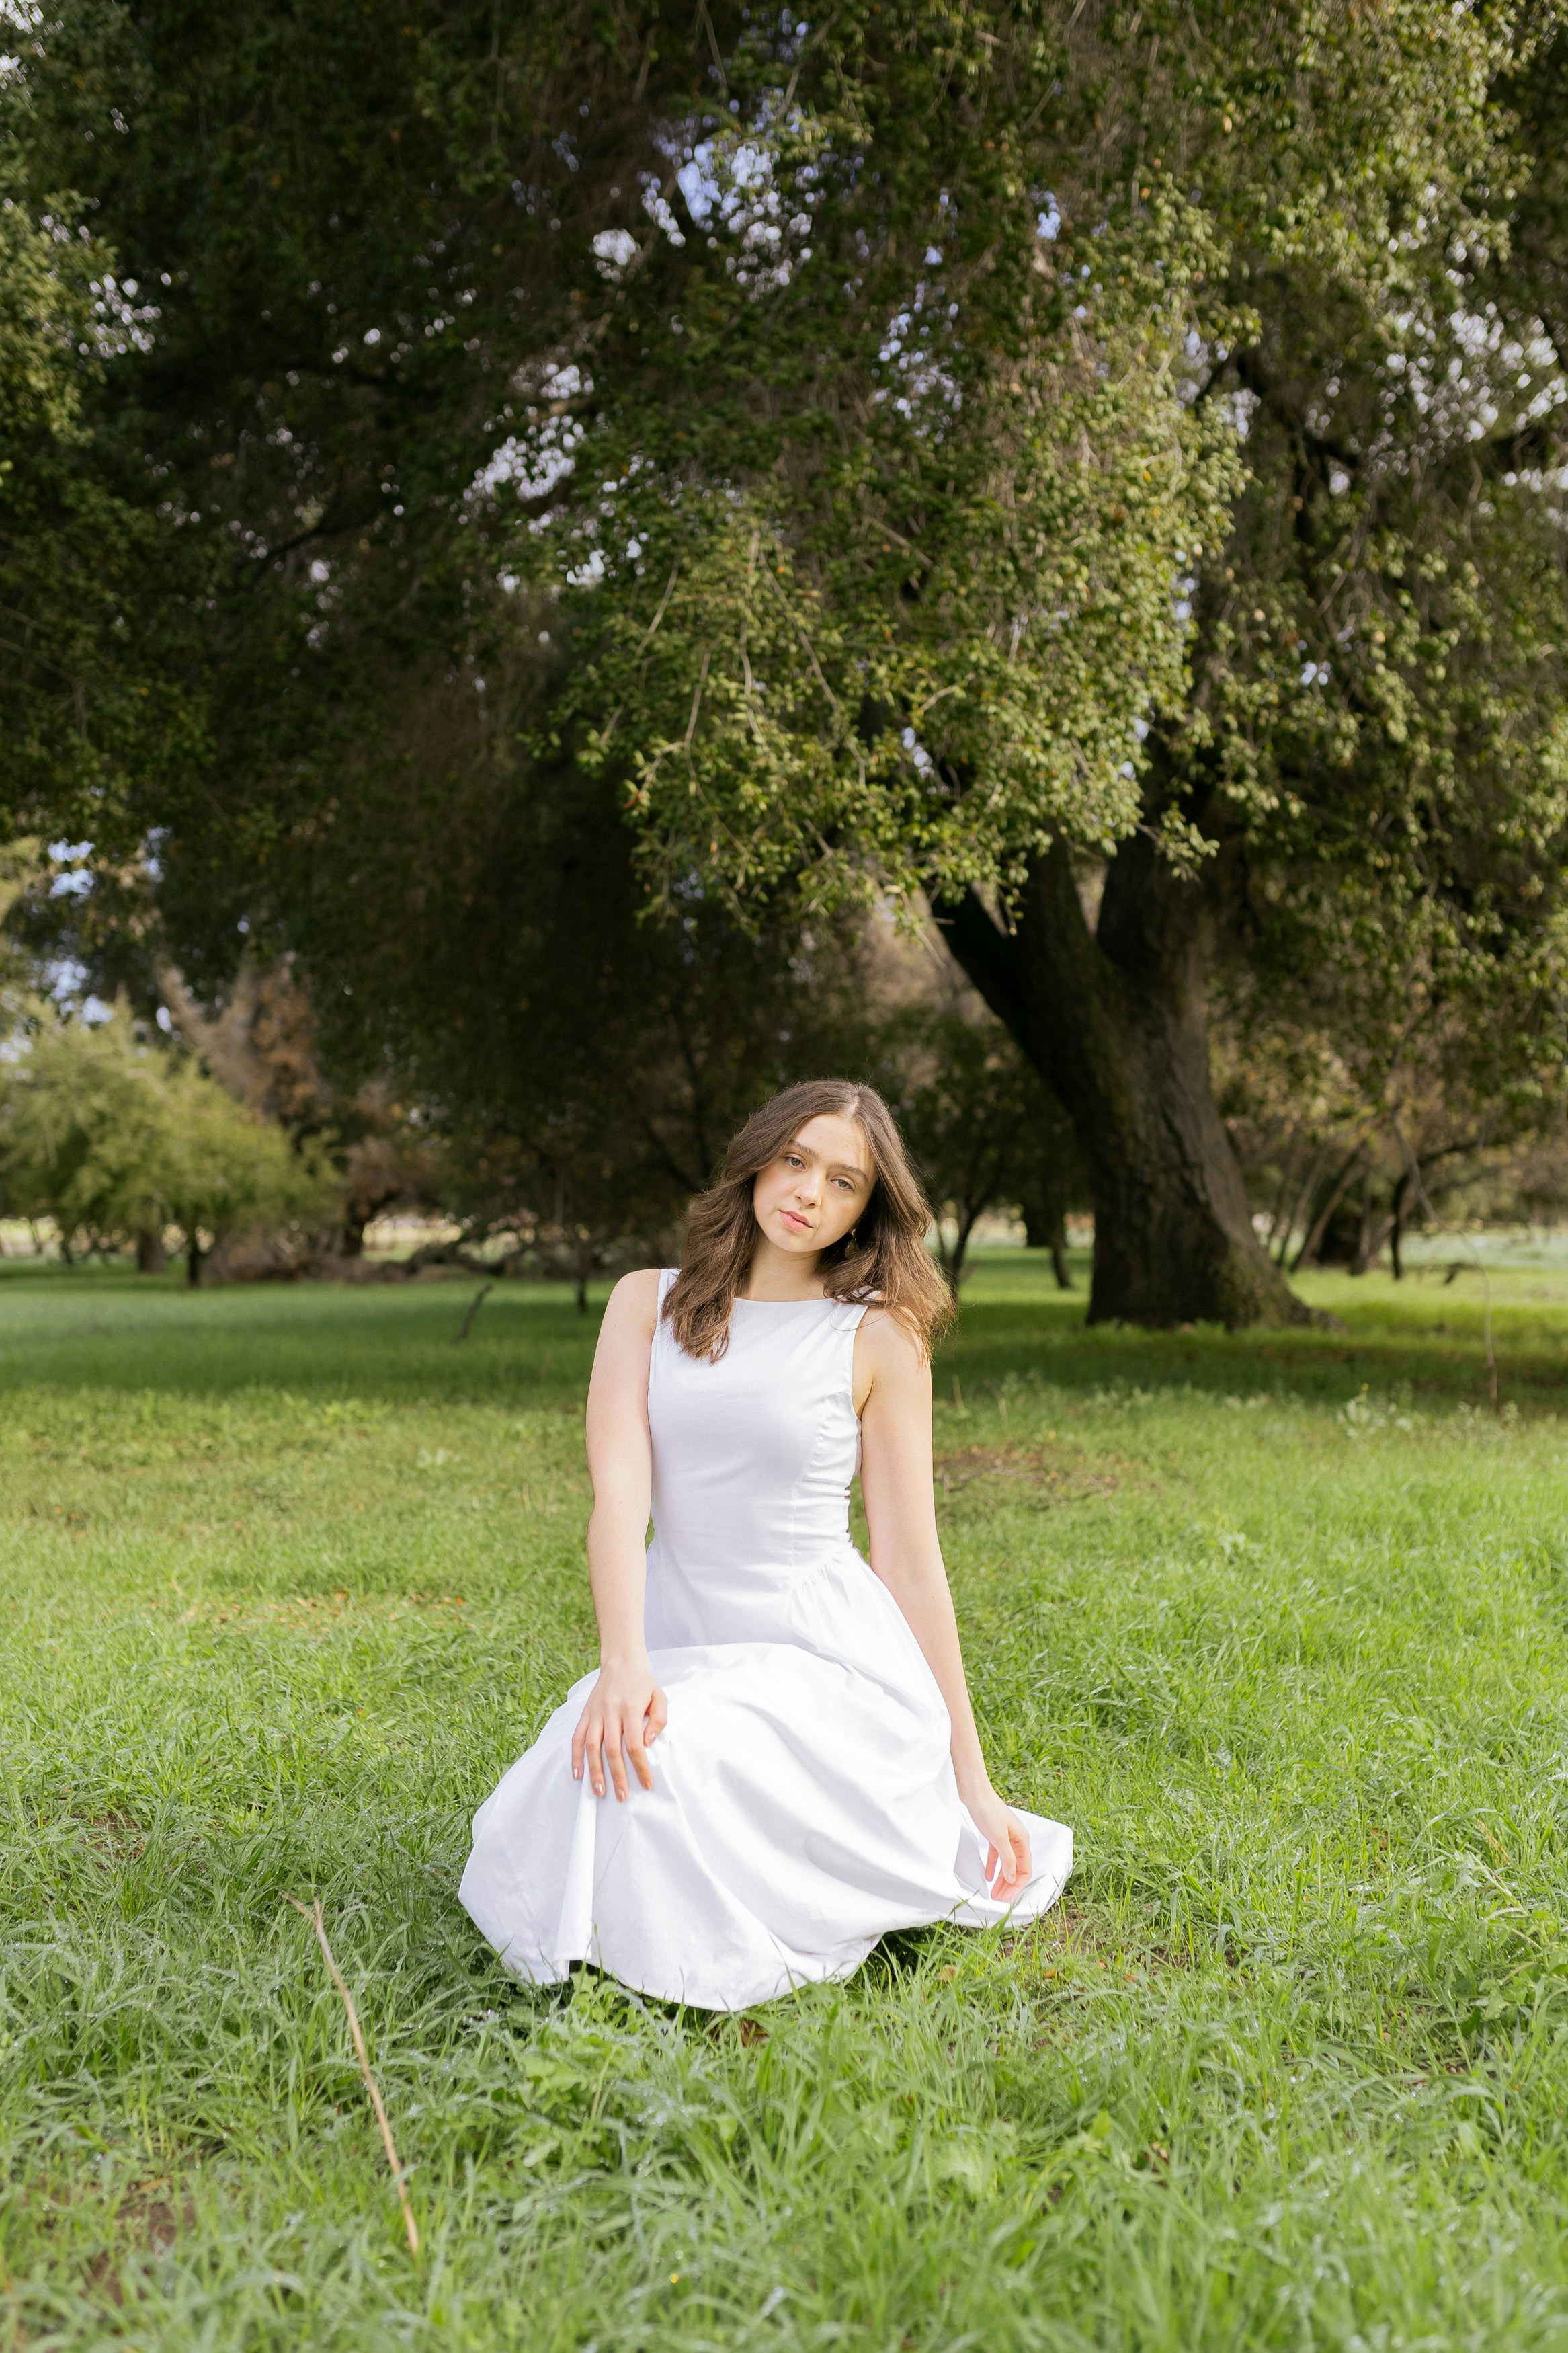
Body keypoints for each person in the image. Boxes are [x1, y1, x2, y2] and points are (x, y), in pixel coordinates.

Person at [459, 1079, 1072, 2009]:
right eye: (796, 1162)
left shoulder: (878, 1335)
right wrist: (621, 1663)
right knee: (590, 1759)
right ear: (756, 1157)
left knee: (669, 1766)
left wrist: (971, 1783)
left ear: (866, 1210)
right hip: (674, 1636)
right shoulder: (644, 1304)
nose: (808, 1195)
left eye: (843, 1183)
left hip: (819, 1659)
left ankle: (673, 1963)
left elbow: (909, 1562)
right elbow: (619, 1498)